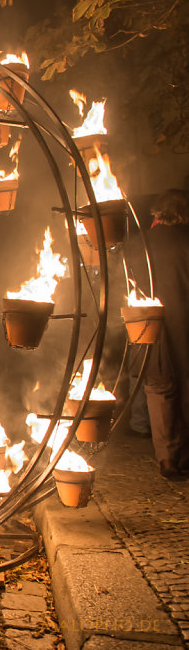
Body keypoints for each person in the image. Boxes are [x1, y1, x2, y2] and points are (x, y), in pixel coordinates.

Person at [141, 189, 189, 479]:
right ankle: (184, 454)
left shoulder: (140, 245)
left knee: (159, 393)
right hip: (185, 325)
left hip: (151, 329)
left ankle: (167, 458)